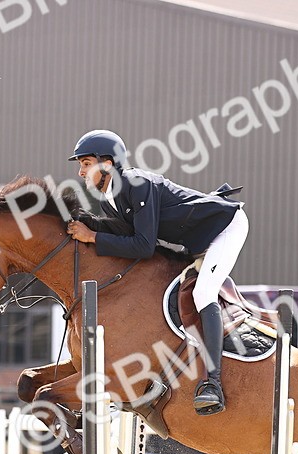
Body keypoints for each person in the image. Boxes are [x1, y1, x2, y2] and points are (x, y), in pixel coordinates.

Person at [65, 129, 247, 416]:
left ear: (108, 163)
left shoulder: (138, 185)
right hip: (196, 239)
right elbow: (123, 237)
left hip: (224, 228)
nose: (81, 171)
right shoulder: (108, 198)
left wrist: (93, 238)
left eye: (86, 163)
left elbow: (143, 245)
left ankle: (212, 384)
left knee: (203, 292)